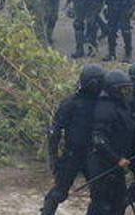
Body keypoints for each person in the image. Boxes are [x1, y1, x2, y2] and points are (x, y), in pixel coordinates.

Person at [42, 64, 105, 215]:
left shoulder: (102, 103)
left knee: (100, 196)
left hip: (92, 155)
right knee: (59, 193)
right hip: (73, 154)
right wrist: (53, 158)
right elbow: (54, 132)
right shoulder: (71, 103)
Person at [87, 70, 135, 215]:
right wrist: (117, 159)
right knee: (101, 205)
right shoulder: (104, 109)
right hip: (103, 166)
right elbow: (98, 139)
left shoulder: (122, 105)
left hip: (116, 166)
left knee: (119, 202)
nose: (127, 92)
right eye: (123, 89)